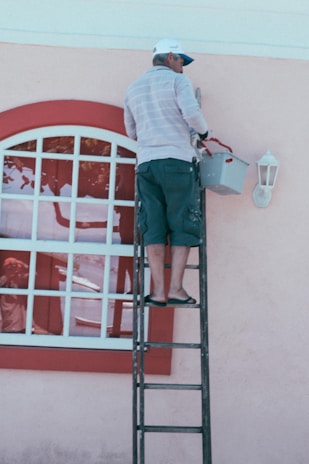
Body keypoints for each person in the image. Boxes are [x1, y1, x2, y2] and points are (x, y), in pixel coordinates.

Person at [124, 38, 208, 306]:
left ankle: (158, 291)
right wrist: (204, 132)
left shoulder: (133, 88)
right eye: (181, 59)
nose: (182, 65)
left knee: (154, 226)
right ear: (170, 57)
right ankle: (175, 290)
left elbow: (131, 131)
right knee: (182, 222)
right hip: (177, 162)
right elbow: (192, 113)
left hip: (147, 164)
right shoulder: (177, 81)